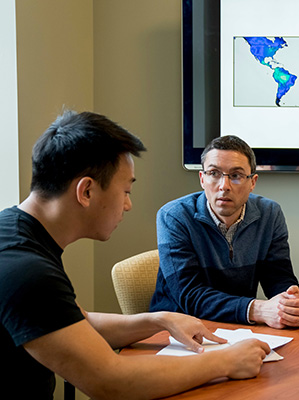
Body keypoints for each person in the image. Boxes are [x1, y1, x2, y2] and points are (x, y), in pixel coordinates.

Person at [0, 111, 270, 399]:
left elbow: (78, 323)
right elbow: (111, 381)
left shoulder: (16, 234)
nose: (128, 205)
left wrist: (159, 320)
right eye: (126, 191)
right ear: (87, 191)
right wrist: (226, 360)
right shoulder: (27, 271)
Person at [150, 135, 299, 328]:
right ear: (202, 179)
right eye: (214, 173)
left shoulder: (270, 213)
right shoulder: (174, 216)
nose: (223, 186)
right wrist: (257, 310)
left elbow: (278, 277)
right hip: (176, 331)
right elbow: (189, 295)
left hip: (239, 328)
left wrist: (289, 301)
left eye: (235, 176)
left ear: (253, 182)